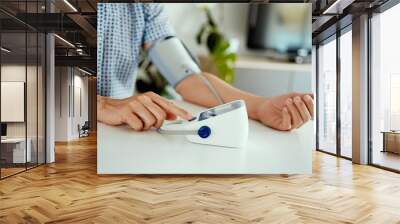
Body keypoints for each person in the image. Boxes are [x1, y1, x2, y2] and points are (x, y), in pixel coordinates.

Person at [97, 3, 314, 132]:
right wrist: (100, 104)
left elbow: (188, 78)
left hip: (120, 133)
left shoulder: (144, 6)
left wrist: (260, 106)